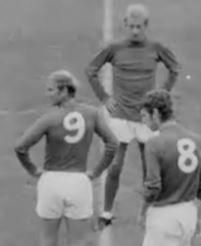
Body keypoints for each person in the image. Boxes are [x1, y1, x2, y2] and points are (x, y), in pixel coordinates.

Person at [84, 3, 180, 226]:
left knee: (150, 169)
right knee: (115, 167)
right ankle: (107, 213)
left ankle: (150, 211)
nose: (135, 31)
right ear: (125, 24)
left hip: (147, 117)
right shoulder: (115, 48)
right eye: (132, 26)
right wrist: (105, 99)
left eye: (139, 26)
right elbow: (90, 70)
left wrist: (162, 93)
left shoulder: (156, 48)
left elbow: (175, 69)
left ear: (146, 26)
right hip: (120, 116)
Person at [14, 70, 118, 246]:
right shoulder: (92, 113)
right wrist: (97, 171)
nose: (47, 94)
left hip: (51, 182)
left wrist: (32, 169)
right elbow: (112, 143)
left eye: (51, 90)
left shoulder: (50, 118)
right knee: (78, 241)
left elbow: (20, 147)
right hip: (79, 183)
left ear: (63, 91)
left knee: (48, 239)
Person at [139, 89, 201, 246]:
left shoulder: (154, 143)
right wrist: (198, 217)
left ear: (155, 113)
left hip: (164, 218)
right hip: (188, 214)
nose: (143, 121)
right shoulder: (197, 140)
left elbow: (153, 187)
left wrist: (142, 211)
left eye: (144, 116)